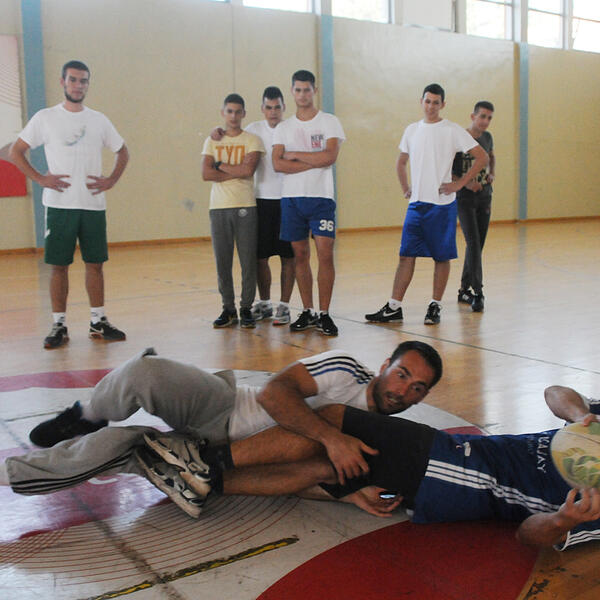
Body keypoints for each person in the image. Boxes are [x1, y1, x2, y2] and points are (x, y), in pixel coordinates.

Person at [0, 341, 443, 512]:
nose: (403, 390)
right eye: (401, 375)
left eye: (417, 388)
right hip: (226, 404)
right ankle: (86, 414)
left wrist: (347, 494)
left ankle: (9, 474)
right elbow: (273, 393)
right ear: (385, 366)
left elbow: (307, 477)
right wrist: (331, 437)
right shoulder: (346, 370)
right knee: (146, 372)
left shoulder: (382, 438)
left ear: (422, 398)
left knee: (118, 447)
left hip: (217, 460)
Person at [141, 386, 600, 550]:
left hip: (455, 473)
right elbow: (554, 392)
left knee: (334, 422)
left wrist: (563, 519)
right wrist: (581, 416)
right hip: (446, 465)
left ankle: (203, 463)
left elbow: (527, 537)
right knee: (322, 468)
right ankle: (205, 483)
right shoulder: (593, 429)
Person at [9, 60, 129, 349]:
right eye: (73, 79)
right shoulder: (45, 118)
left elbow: (123, 151)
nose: (78, 85)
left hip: (92, 205)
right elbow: (16, 151)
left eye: (83, 80)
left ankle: (98, 321)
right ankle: (59, 325)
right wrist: (40, 178)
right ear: (62, 82)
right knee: (58, 266)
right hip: (60, 205)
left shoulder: (99, 120)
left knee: (95, 264)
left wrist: (111, 180)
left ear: (88, 84)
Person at [366, 84, 487, 326]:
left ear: (443, 104)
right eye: (427, 101)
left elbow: (482, 157)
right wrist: (406, 188)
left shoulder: (452, 130)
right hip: (417, 205)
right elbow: (401, 162)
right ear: (421, 102)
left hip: (441, 206)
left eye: (436, 102)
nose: (431, 106)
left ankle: (435, 305)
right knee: (406, 255)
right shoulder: (412, 130)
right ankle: (394, 307)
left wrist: (459, 183)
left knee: (441, 258)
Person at [212, 87, 295, 326]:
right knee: (260, 257)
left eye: (277, 107)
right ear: (262, 109)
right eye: (268, 107)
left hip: (288, 199)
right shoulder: (253, 130)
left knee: (288, 256)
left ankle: (284, 306)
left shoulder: (292, 129)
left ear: (283, 107)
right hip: (259, 201)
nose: (273, 112)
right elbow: (230, 134)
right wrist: (216, 131)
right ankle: (265, 303)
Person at [272, 70, 345, 336]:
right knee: (300, 255)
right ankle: (308, 310)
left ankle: (324, 314)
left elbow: (330, 157)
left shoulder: (329, 122)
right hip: (292, 199)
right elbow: (278, 163)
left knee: (325, 254)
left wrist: (295, 155)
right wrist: (313, 159)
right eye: (298, 90)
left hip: (321, 199)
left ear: (315, 90)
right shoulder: (283, 128)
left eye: (307, 89)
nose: (303, 95)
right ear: (292, 92)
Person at [202, 94, 265, 329]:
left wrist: (219, 165)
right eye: (230, 111)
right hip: (218, 207)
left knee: (248, 260)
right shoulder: (212, 140)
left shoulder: (252, 140)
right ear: (223, 113)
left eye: (238, 112)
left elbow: (248, 171)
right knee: (223, 261)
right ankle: (228, 308)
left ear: (244, 114)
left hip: (245, 206)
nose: (234, 116)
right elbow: (206, 173)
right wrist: (234, 170)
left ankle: (246, 307)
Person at [453, 101, 496, 312]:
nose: (485, 121)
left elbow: (491, 157)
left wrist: (492, 173)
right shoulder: (460, 138)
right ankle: (478, 292)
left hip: (484, 197)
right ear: (473, 116)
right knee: (473, 243)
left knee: (478, 245)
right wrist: (466, 183)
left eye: (489, 118)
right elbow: (450, 170)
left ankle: (464, 289)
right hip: (465, 198)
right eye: (482, 116)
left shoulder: (487, 138)